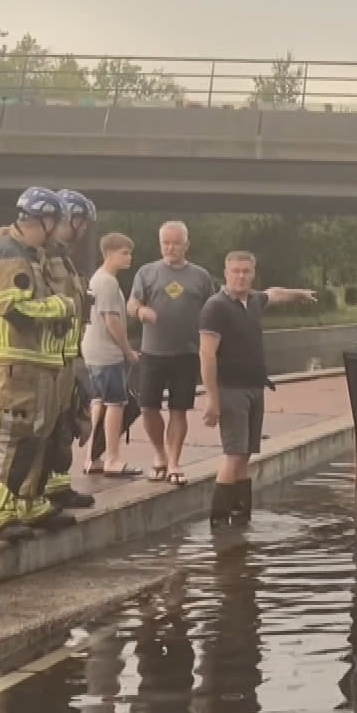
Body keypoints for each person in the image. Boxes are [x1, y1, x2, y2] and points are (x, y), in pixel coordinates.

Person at [0, 188, 79, 543]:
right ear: (45, 220)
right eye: (56, 221)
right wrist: (59, 307)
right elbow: (14, 308)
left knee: (37, 435)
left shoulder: (31, 253)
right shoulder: (10, 253)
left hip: (40, 361)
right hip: (17, 361)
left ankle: (27, 501)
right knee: (12, 437)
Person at [197, 251, 315, 524]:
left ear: (253, 274)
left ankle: (241, 516)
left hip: (254, 388)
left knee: (246, 453)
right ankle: (218, 521)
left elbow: (274, 293)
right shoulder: (216, 307)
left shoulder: (253, 301)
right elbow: (206, 355)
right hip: (231, 390)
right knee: (234, 453)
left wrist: (300, 294)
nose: (240, 276)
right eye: (235, 271)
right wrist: (213, 400)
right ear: (226, 274)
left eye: (246, 271)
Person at [130, 221, 216, 486]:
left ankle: (175, 462)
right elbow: (132, 302)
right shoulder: (147, 272)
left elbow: (212, 310)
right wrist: (140, 311)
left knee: (179, 410)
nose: (170, 248)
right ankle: (159, 455)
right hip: (153, 352)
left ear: (186, 245)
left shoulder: (200, 276)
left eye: (175, 243)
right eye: (165, 242)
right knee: (148, 407)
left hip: (187, 353)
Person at [36, 190, 96, 512]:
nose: (83, 228)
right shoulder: (39, 254)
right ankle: (38, 492)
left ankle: (58, 486)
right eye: (80, 221)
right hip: (48, 356)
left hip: (68, 354)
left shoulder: (64, 255)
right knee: (43, 429)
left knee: (66, 422)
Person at [82, 231, 140, 478]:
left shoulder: (97, 279)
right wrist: (127, 351)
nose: (129, 258)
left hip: (92, 350)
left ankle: (92, 457)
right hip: (107, 352)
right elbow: (111, 319)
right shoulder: (107, 282)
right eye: (124, 253)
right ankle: (113, 459)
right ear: (109, 254)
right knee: (116, 403)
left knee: (98, 402)